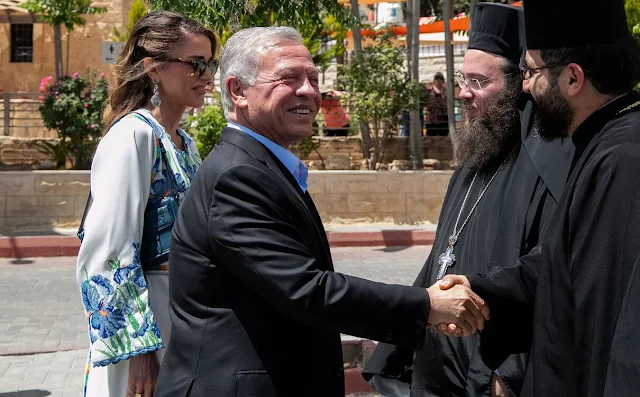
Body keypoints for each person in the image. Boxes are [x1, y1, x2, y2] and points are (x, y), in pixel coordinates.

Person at [155, 26, 489, 397]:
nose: (308, 91)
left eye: (312, 78)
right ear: (237, 91)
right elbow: (308, 290)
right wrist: (427, 305)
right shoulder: (239, 175)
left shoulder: (261, 166)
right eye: (289, 78)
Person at [362, 3, 574, 397]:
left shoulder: (549, 168)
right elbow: (445, 254)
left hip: (490, 377)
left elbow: (549, 276)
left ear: (517, 86)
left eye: (478, 81)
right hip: (437, 368)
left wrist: (511, 371)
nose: (462, 92)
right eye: (462, 78)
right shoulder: (474, 157)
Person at [438, 0, 640, 395]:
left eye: (530, 72)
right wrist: (483, 290)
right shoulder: (602, 144)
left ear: (573, 78)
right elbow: (564, 262)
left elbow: (620, 325)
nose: (526, 86)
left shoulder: (624, 159)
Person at [75, 10, 217, 397]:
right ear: (153, 69)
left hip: (183, 320)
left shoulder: (184, 143)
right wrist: (139, 349)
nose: (207, 75)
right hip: (147, 327)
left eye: (211, 63)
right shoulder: (133, 137)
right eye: (196, 64)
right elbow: (108, 250)